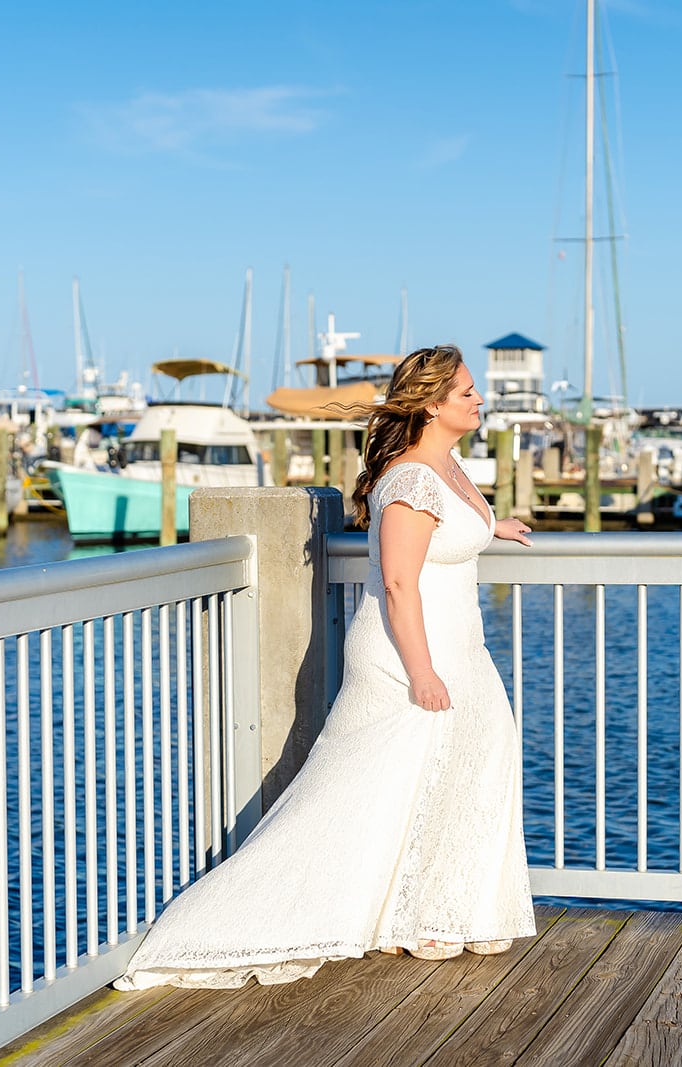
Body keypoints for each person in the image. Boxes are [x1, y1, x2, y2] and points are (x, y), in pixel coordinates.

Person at [114, 344, 536, 989]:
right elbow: (398, 581)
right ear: (429, 403)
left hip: (458, 645)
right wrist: (421, 672)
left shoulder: (445, 466)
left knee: (465, 766)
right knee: (360, 787)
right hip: (409, 650)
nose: (479, 400)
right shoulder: (413, 477)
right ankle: (252, 918)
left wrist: (488, 527)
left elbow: (443, 534)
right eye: (467, 392)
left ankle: (432, 912)